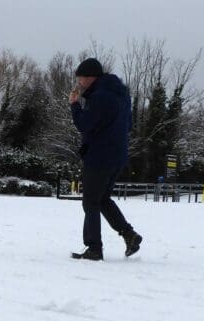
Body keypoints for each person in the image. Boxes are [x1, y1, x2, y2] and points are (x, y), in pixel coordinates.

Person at [68, 57, 142, 261]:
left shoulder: (100, 97)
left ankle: (94, 248)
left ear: (91, 77)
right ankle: (130, 235)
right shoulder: (121, 95)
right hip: (118, 156)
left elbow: (84, 124)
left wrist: (75, 106)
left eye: (81, 79)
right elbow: (127, 126)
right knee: (102, 199)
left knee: (91, 201)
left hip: (99, 156)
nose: (79, 83)